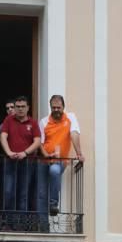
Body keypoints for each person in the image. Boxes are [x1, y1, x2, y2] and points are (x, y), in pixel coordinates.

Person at [37, 94, 84, 222]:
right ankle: (43, 228)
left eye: (58, 107)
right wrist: (46, 154)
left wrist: (79, 153)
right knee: (41, 194)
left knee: (54, 171)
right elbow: (40, 143)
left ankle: (53, 204)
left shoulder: (70, 117)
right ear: (50, 107)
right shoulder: (44, 121)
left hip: (60, 161)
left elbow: (74, 134)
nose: (56, 110)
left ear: (63, 106)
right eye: (53, 107)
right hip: (44, 161)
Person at [0, 97, 42, 231]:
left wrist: (25, 153)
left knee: (23, 194)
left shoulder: (33, 123)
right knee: (8, 192)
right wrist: (9, 152)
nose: (20, 109)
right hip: (10, 161)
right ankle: (8, 223)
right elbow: (3, 136)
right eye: (17, 106)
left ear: (28, 107)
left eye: (23, 106)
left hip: (27, 162)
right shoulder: (8, 120)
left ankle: (20, 225)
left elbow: (37, 142)